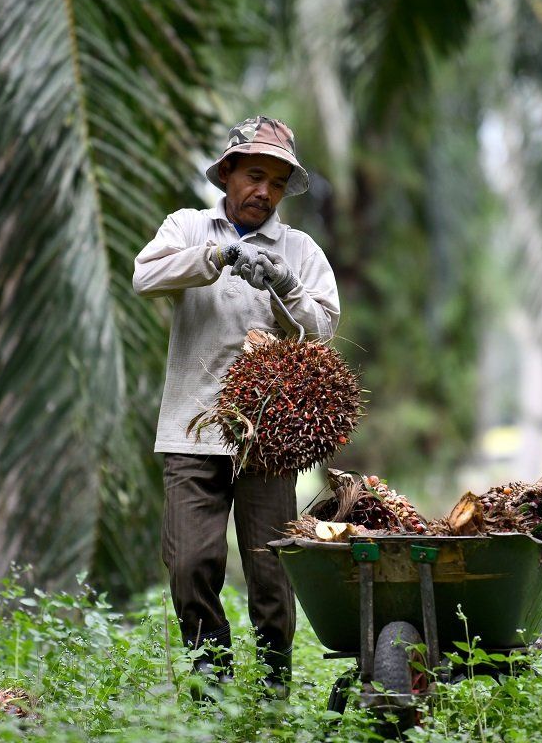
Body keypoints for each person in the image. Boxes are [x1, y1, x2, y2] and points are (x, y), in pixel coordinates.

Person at [132, 116, 339, 698]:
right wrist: (216, 256)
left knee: (273, 576)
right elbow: (144, 276)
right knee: (190, 564)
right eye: (254, 176)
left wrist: (284, 287)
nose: (264, 192)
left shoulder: (300, 251)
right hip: (189, 432)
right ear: (227, 173)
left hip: (267, 441)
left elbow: (322, 329)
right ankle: (213, 691)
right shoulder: (187, 226)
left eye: (276, 183)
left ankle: (272, 696)